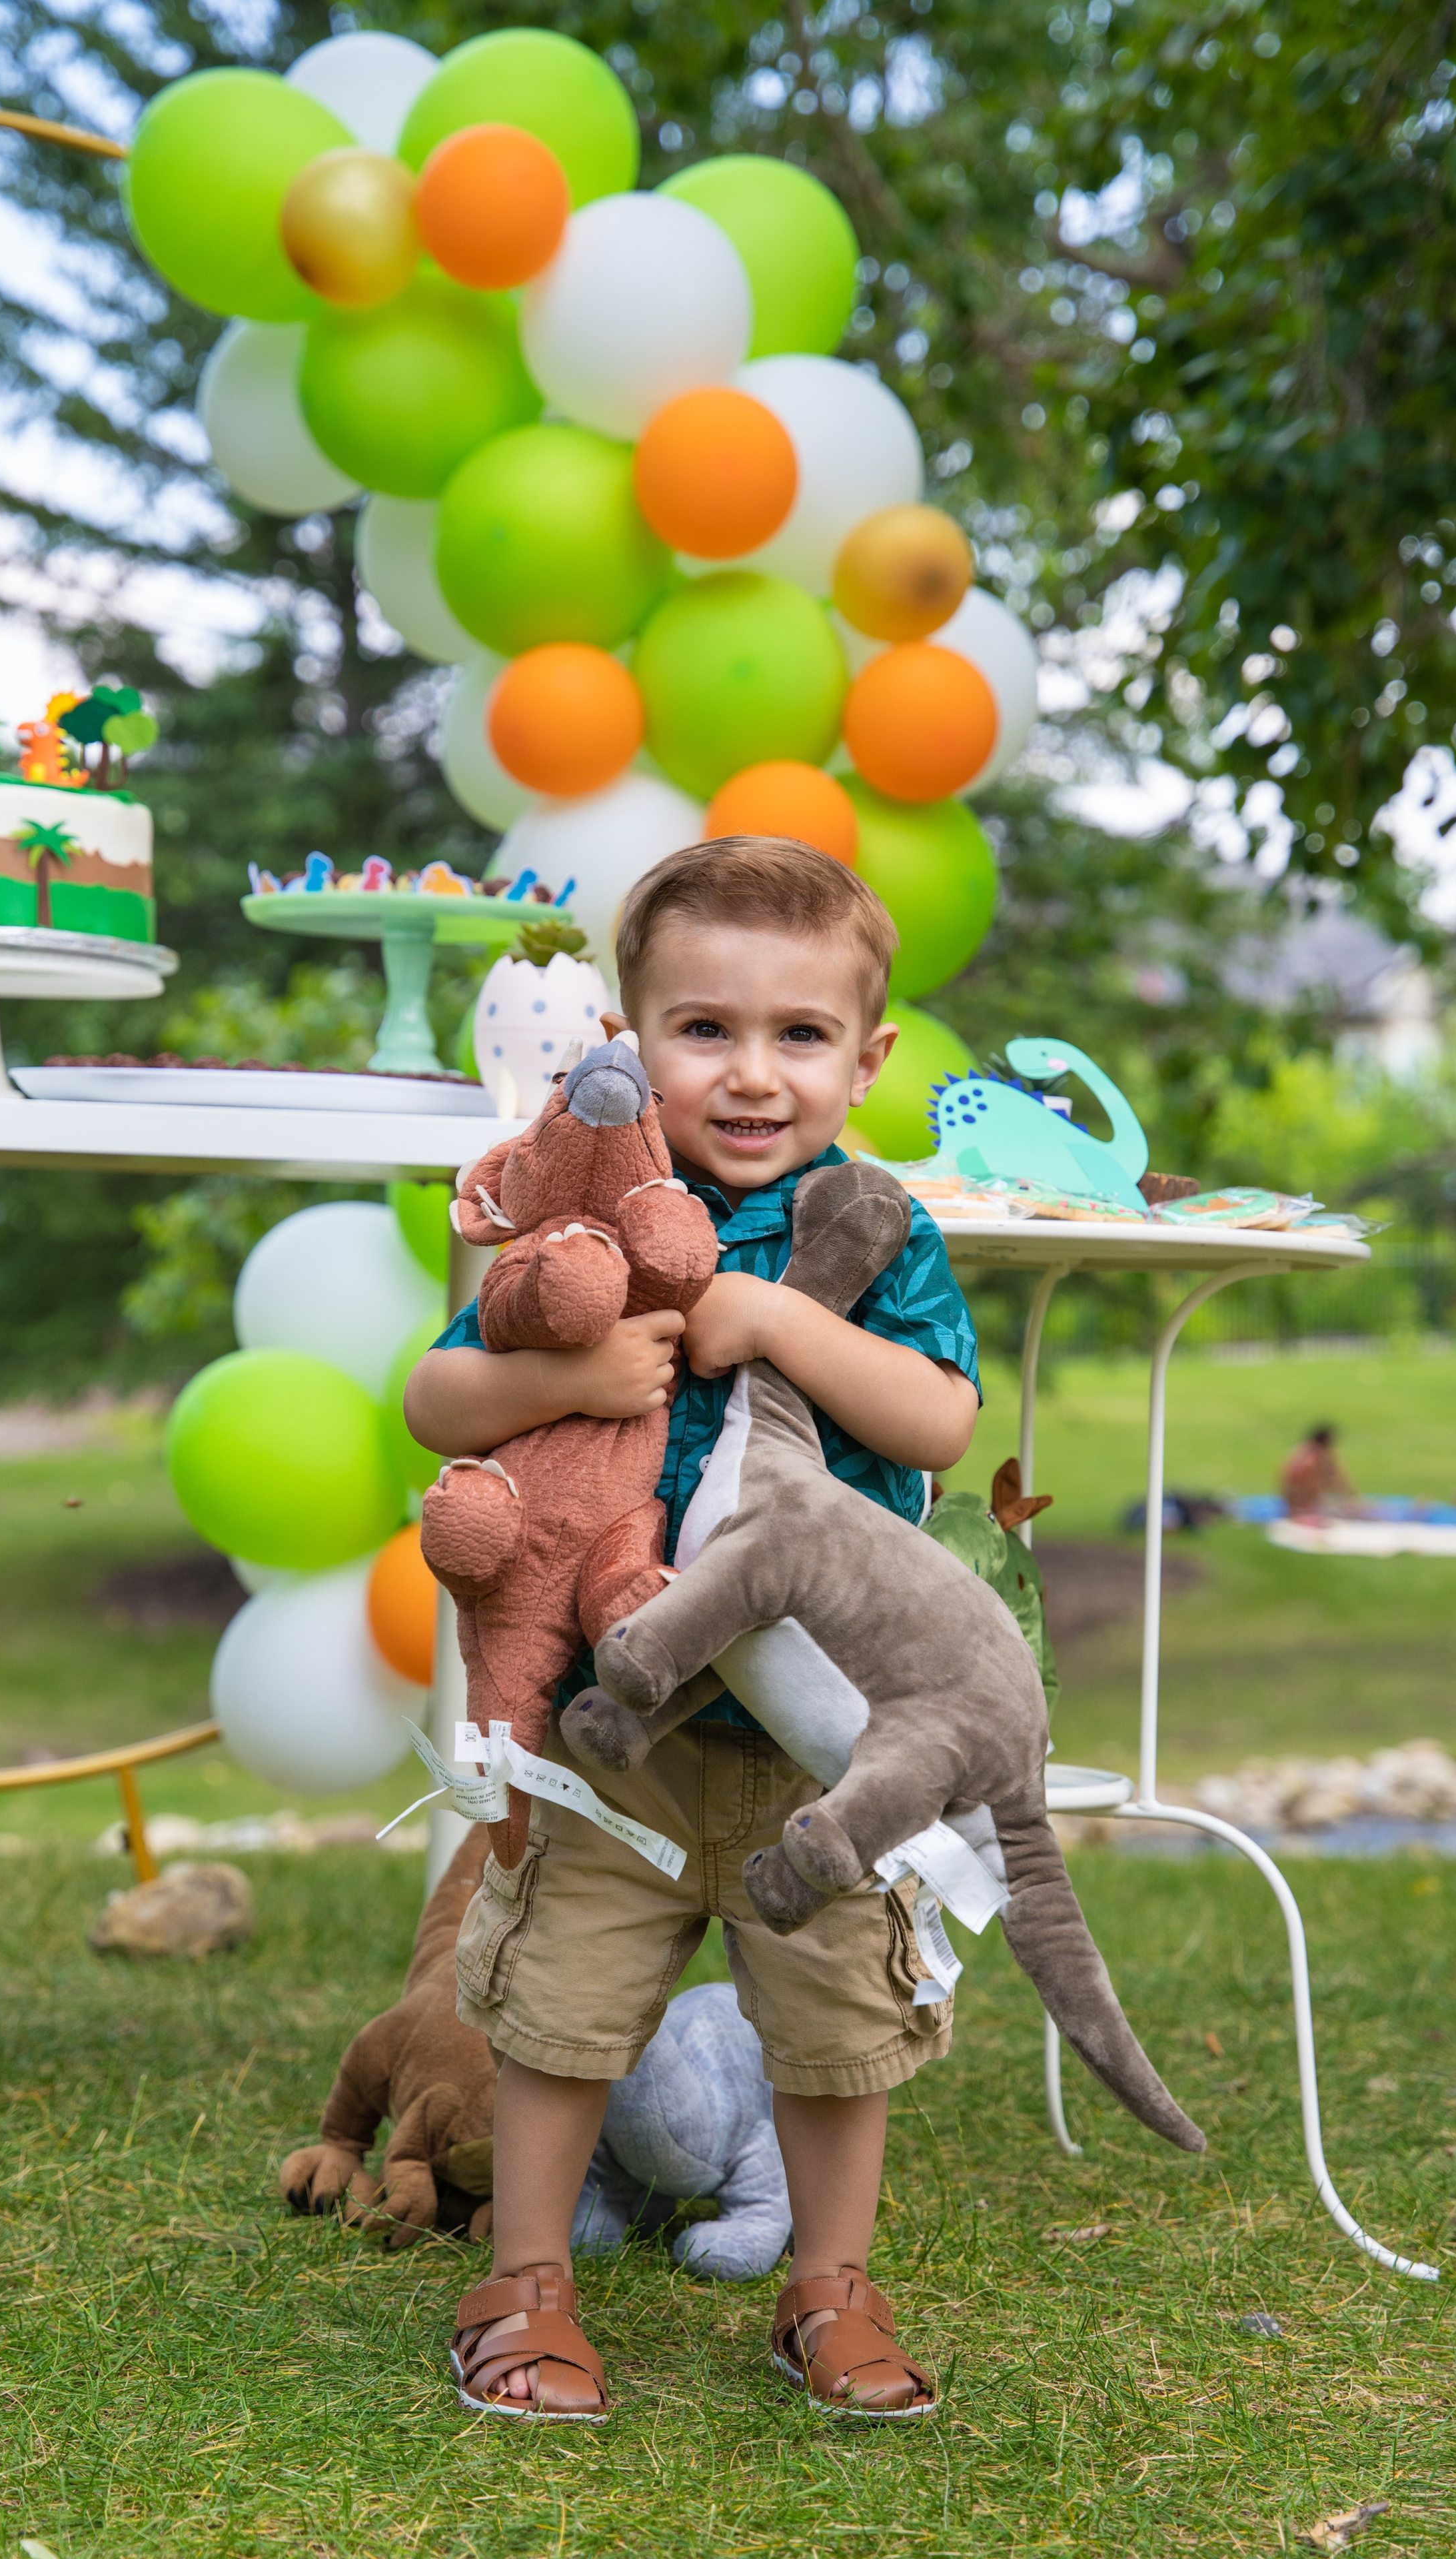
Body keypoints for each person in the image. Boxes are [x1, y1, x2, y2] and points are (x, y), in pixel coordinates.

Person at [404, 836, 982, 2422]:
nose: (747, 1072)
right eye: (700, 1028)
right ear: (627, 1037)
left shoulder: (875, 1228)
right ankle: (522, 2282)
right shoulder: (582, 1218)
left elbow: (936, 1420)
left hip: (818, 1741)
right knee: (563, 2000)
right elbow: (431, 1391)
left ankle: (828, 2286)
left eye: (796, 1035)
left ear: (862, 1060)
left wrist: (785, 1320)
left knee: (832, 2022)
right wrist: (565, 1384)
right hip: (617, 1724)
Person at [1280, 1423, 1357, 1517]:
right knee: (1352, 1510)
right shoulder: (1312, 1459)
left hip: (1298, 1503)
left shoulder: (1303, 1450)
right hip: (1303, 1504)